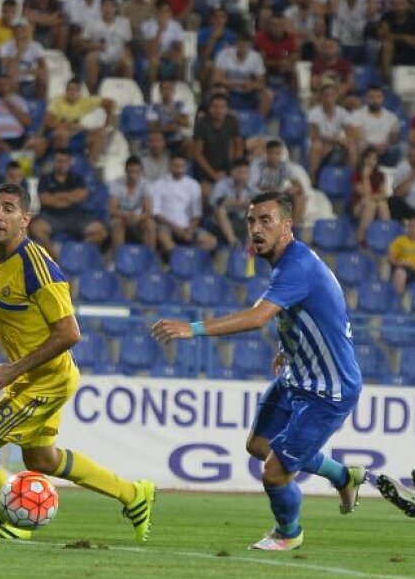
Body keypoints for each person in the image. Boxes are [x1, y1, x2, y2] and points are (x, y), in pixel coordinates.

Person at [151, 192, 366, 551]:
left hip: (329, 391)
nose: (256, 229)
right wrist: (288, 346)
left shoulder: (296, 266)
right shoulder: (288, 265)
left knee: (275, 472)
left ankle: (289, 532)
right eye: (251, 221)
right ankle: (344, 476)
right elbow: (315, 310)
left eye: (266, 220)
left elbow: (257, 317)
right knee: (259, 445)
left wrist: (194, 328)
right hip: (297, 377)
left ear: (287, 225)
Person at [0, 181, 156, 542]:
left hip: (44, 380)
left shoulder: (39, 268)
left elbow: (69, 334)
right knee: (42, 462)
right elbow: (4, 313)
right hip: (32, 377)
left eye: (8, 208)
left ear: (25, 220)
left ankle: (16, 522)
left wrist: (12, 369)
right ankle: (133, 494)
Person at [386, 216, 415, 298]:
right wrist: (401, 263)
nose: (414, 229)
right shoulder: (400, 241)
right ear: (408, 227)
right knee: (400, 273)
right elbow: (390, 258)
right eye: (412, 226)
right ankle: (397, 303)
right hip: (407, 269)